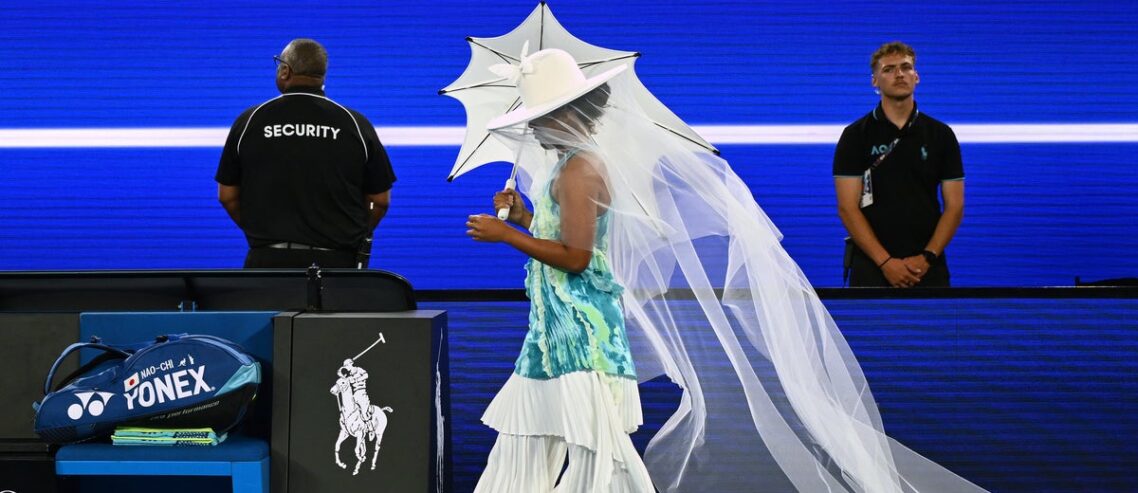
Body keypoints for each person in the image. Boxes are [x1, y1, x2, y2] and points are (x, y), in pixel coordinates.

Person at [462, 46, 987, 492]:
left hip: (580, 335)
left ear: (565, 115)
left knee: (591, 451)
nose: (534, 127)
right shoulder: (567, 166)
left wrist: (508, 234)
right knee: (543, 441)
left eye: (540, 116)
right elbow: (573, 242)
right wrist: (525, 219)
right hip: (556, 330)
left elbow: (578, 258)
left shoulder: (579, 169)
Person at [215, 38, 395, 268]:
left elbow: (227, 196)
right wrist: (353, 236)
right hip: (337, 266)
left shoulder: (249, 121)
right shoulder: (355, 124)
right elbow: (379, 201)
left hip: (266, 265)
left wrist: (264, 236)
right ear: (322, 76)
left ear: (285, 71)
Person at [833, 41, 964, 288]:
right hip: (870, 266)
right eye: (889, 69)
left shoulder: (941, 135)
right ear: (874, 81)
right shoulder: (855, 136)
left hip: (928, 266)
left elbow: (955, 206)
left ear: (917, 76)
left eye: (906, 67)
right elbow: (847, 208)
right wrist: (885, 263)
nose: (899, 74)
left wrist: (927, 258)